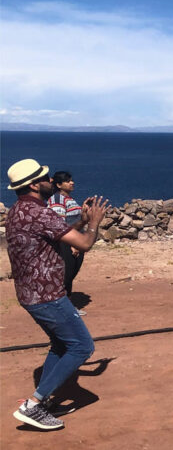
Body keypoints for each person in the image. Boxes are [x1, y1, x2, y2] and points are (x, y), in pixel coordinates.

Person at [6, 158, 108, 430]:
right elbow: (85, 244)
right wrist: (93, 223)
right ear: (33, 185)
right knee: (82, 346)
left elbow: (53, 231)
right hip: (48, 295)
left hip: (30, 294)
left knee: (61, 345)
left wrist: (80, 219)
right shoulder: (40, 212)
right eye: (45, 177)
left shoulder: (18, 210)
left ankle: (45, 398)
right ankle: (34, 404)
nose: (50, 181)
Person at [48, 171, 87, 310]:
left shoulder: (69, 199)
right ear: (58, 184)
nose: (72, 182)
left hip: (75, 241)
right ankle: (63, 308)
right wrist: (72, 244)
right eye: (68, 181)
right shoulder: (57, 200)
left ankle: (69, 306)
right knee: (66, 274)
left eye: (71, 180)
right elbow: (60, 225)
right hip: (67, 243)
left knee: (70, 273)